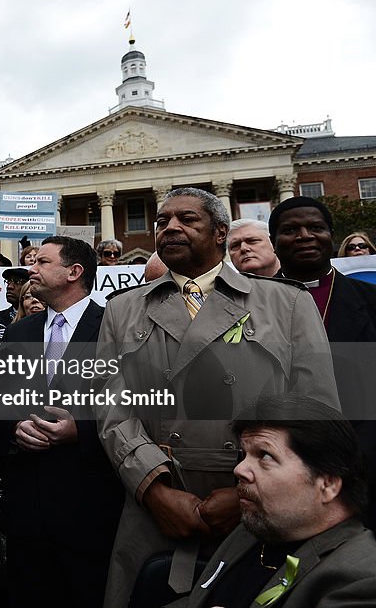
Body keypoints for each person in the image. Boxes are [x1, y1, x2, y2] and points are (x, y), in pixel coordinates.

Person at [97, 187, 340, 607]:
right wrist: (155, 489)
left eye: (187, 219)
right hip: (158, 501)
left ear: (220, 233)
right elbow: (110, 406)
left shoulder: (286, 303)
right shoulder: (121, 310)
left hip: (263, 502)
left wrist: (251, 490)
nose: (170, 227)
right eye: (162, 221)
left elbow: (316, 410)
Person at [0, 236, 123, 608]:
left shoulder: (113, 328)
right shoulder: (20, 332)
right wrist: (14, 427)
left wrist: (79, 431)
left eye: (42, 262)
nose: (31, 270)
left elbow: (133, 404)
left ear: (74, 271)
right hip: (27, 516)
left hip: (90, 513)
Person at [172, 395, 376, 608]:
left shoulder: (361, 580)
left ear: (328, 485)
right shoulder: (254, 530)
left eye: (265, 456)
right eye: (244, 455)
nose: (239, 469)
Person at [270, 195, 376, 526]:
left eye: (315, 227)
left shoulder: (369, 301)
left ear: (331, 235)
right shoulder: (248, 307)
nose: (304, 236)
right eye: (290, 230)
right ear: (274, 243)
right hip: (280, 467)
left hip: (363, 465)